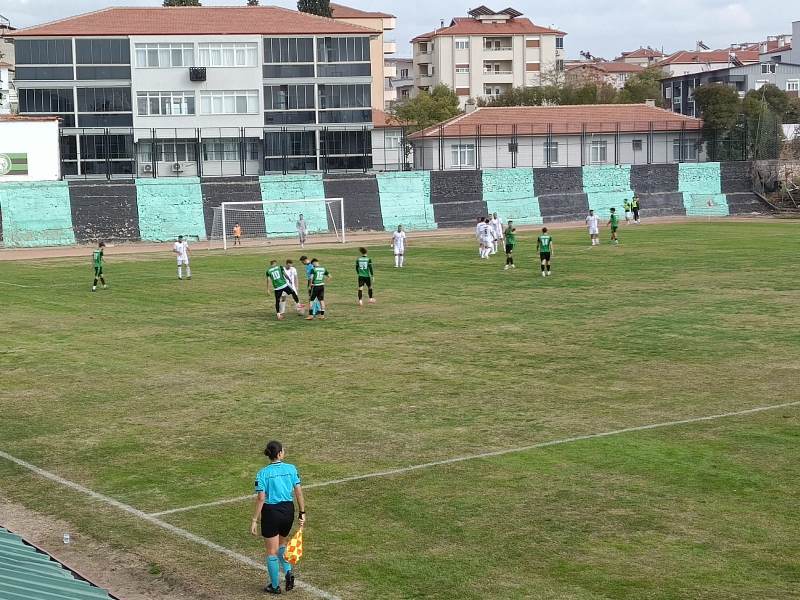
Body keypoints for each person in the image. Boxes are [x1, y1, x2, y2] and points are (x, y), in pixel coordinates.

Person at [251, 441, 306, 595]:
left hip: (271, 512)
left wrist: (254, 520)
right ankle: (288, 571)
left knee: (271, 551)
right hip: (288, 510)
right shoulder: (291, 469)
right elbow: (299, 492)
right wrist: (302, 513)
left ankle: (274, 586)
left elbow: (261, 498)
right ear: (280, 453)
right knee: (282, 543)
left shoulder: (262, 473)